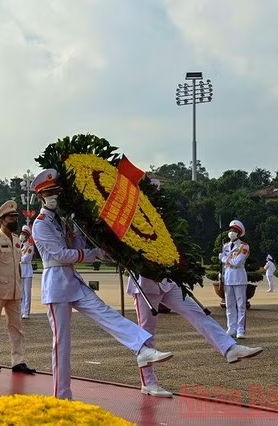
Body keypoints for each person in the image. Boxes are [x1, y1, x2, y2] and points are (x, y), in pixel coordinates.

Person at [30, 168, 173, 400]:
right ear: (40, 197)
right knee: (62, 345)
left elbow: (77, 242)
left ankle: (141, 348)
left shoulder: (63, 220)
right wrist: (93, 253)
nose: (54, 196)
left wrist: (84, 226)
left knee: (106, 312)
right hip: (56, 285)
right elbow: (60, 255)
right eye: (49, 193)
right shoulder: (41, 224)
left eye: (56, 191)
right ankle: (62, 396)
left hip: (73, 281)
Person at [128, 275, 263, 397]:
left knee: (197, 313)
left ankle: (229, 348)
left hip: (168, 282)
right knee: (147, 333)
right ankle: (149, 383)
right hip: (145, 286)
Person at [0, 200, 36, 374]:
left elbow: (18, 265)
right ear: (2, 220)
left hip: (14, 291)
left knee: (17, 327)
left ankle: (18, 361)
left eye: (15, 217)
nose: (14, 220)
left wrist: (19, 284)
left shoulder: (16, 240)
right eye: (11, 217)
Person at [220, 220, 250, 338]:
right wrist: (221, 276)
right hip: (227, 278)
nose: (231, 232)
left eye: (234, 231)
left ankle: (240, 329)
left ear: (239, 233)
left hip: (239, 277)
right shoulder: (225, 246)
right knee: (229, 305)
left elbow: (237, 262)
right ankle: (231, 327)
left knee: (241, 305)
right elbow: (225, 265)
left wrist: (223, 259)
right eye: (230, 230)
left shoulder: (244, 246)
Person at [20, 225, 34, 319]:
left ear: (27, 236)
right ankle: (21, 311)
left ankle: (26, 312)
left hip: (27, 271)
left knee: (27, 293)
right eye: (21, 234)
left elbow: (25, 259)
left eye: (24, 234)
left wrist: (18, 257)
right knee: (21, 293)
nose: (21, 236)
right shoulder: (20, 247)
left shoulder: (30, 247)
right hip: (21, 271)